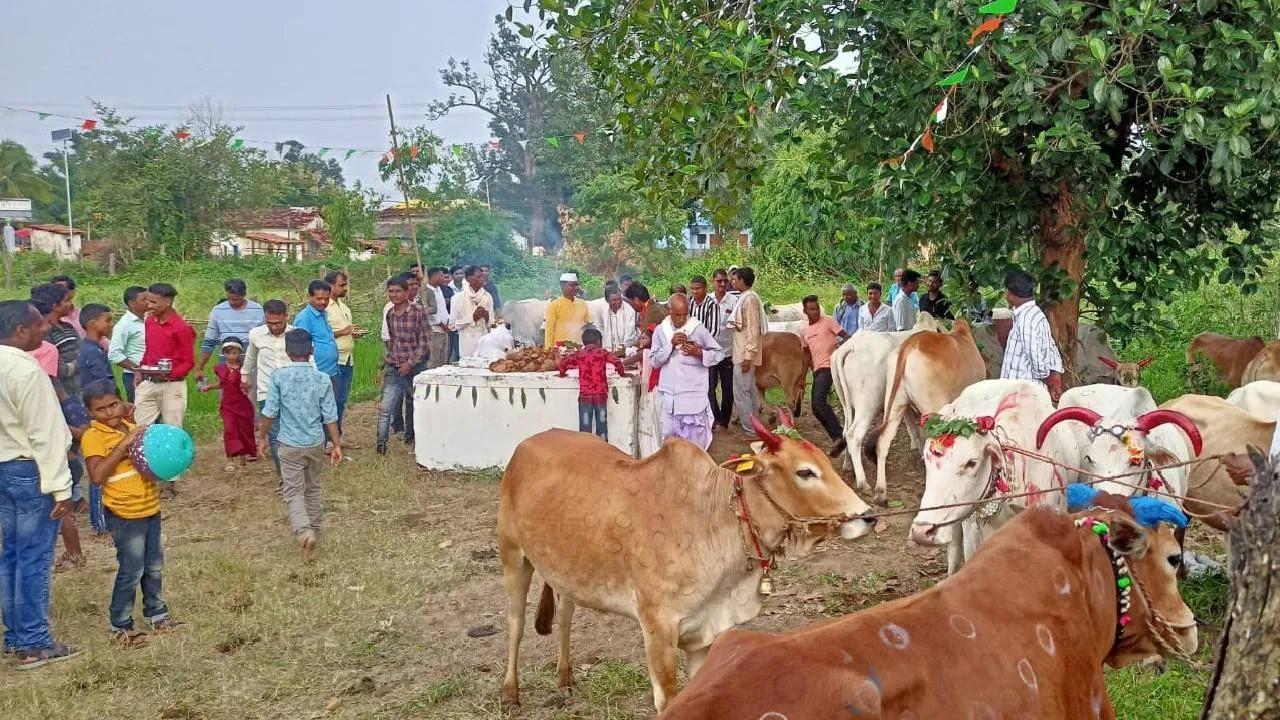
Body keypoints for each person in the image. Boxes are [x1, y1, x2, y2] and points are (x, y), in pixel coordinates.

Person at [0, 299, 78, 669]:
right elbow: (47, 434)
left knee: (11, 554)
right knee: (33, 556)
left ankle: (15, 635)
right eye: (38, 325)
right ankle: (34, 643)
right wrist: (61, 489)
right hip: (29, 471)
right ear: (20, 331)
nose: (46, 329)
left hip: (3, 469)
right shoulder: (26, 371)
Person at [81, 383, 180, 647]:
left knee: (154, 565)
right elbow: (97, 475)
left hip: (150, 507)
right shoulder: (94, 436)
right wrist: (123, 446)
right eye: (99, 409)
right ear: (90, 413)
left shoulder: (132, 428)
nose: (109, 412)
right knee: (131, 569)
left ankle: (156, 613)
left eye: (113, 404)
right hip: (125, 513)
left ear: (122, 402)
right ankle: (121, 624)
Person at [259, 330, 341, 561]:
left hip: (289, 443)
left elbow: (270, 412)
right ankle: (315, 528)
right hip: (315, 442)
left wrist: (262, 436)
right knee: (312, 488)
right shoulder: (322, 378)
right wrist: (336, 444)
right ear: (312, 351)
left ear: (287, 352)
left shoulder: (278, 377)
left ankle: (304, 532)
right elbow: (330, 416)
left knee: (293, 491)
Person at [649, 294, 724, 450]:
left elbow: (719, 353)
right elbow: (654, 361)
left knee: (695, 445)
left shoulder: (697, 329)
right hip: (669, 398)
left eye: (685, 314)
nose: (681, 319)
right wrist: (670, 345)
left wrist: (700, 353)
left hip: (693, 398)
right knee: (669, 443)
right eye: (677, 315)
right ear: (669, 311)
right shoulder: (660, 331)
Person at [242, 300, 295, 477]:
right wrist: (244, 377)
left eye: (278, 323)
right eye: (270, 323)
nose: (274, 327)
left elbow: (308, 359)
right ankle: (283, 477)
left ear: (286, 317)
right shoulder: (256, 335)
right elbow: (250, 358)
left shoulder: (295, 334)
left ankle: (295, 471)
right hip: (267, 392)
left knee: (293, 433)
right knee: (274, 435)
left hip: (292, 392)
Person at [377, 276, 427, 455]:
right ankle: (381, 444)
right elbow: (393, 341)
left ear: (407, 292)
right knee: (385, 406)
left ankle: (413, 438)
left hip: (415, 366)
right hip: (395, 366)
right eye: (391, 291)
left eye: (398, 291)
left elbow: (423, 343)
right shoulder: (390, 314)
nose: (394, 295)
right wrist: (386, 360)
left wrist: (410, 363)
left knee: (416, 404)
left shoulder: (417, 311)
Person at [1000, 270, 1064, 401]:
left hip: (1022, 391)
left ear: (1010, 293)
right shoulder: (1035, 314)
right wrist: (1055, 371)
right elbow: (1051, 345)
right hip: (1023, 390)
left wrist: (1049, 380)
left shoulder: (1026, 319)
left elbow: (1035, 356)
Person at [799, 295, 849, 453]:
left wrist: (841, 353)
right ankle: (838, 437)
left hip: (830, 365)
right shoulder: (805, 330)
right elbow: (806, 355)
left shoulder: (828, 321)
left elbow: (846, 336)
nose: (815, 312)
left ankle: (840, 436)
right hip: (817, 369)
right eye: (811, 309)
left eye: (817, 308)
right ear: (805, 311)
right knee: (815, 407)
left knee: (819, 402)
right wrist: (802, 376)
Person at [557, 327, 627, 440]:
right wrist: (622, 373)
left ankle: (586, 450)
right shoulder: (603, 352)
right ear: (599, 341)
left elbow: (563, 362)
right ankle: (603, 449)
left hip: (585, 395)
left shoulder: (580, 354)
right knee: (602, 426)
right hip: (600, 394)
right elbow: (617, 362)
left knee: (585, 428)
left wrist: (562, 373)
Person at [201, 339, 257, 471]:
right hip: (228, 405)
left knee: (243, 430)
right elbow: (222, 383)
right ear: (224, 354)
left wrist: (246, 386)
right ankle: (230, 459)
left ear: (239, 353)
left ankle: (242, 460)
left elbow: (248, 384)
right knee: (229, 430)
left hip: (242, 405)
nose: (231, 356)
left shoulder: (244, 369)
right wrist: (209, 387)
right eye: (228, 353)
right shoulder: (221, 368)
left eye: (234, 353)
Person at [195, 279, 264, 386]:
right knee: (227, 397)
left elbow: (264, 338)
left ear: (244, 295)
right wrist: (200, 367)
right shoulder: (218, 311)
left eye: (236, 299)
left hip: (251, 363)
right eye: (229, 299)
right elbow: (209, 341)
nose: (232, 302)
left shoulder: (257, 310)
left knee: (250, 400)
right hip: (226, 363)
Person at [727, 267, 765, 436]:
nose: (733, 282)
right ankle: (755, 427)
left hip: (744, 354)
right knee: (748, 390)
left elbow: (752, 329)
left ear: (742, 280)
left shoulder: (749, 300)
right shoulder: (745, 298)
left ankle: (750, 430)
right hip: (742, 352)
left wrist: (748, 356)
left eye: (735, 279)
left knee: (742, 392)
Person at [324, 271, 359, 437]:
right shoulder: (324, 308)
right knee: (332, 400)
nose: (346, 288)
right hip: (334, 360)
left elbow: (344, 331)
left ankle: (336, 435)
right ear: (331, 286)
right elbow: (321, 335)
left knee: (342, 400)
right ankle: (329, 438)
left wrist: (351, 333)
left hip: (347, 359)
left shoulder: (344, 307)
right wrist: (343, 331)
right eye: (342, 285)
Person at [31, 283, 80, 399]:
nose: (71, 304)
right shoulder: (43, 334)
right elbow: (60, 370)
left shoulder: (68, 327)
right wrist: (79, 362)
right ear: (54, 305)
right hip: (61, 395)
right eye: (67, 300)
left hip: (78, 389)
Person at [704, 269, 739, 428]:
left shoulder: (734, 301)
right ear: (713, 282)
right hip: (710, 353)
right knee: (710, 389)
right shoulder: (706, 300)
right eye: (719, 281)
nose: (723, 284)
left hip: (727, 352)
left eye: (725, 281)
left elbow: (738, 323)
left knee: (728, 390)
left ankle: (724, 421)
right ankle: (715, 418)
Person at [292, 280, 339, 390]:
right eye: (319, 298)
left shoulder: (323, 314)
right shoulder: (304, 318)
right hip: (315, 375)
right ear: (309, 296)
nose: (323, 302)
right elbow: (300, 349)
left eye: (326, 299)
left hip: (330, 371)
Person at [108, 287, 149, 403]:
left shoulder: (149, 320)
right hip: (134, 377)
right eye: (143, 299)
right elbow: (114, 354)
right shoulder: (124, 325)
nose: (148, 302)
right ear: (131, 303)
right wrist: (137, 369)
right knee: (141, 416)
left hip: (153, 376)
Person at [449, 266, 494, 358]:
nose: (482, 279)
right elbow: (452, 326)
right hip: (467, 342)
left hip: (484, 340)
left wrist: (486, 316)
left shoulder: (487, 297)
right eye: (478, 277)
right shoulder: (458, 298)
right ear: (468, 278)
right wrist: (472, 318)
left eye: (482, 276)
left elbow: (491, 323)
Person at [545, 272, 592, 348]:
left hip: (580, 348)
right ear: (562, 287)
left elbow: (588, 327)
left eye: (577, 285)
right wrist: (548, 351)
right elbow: (549, 331)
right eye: (572, 285)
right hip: (561, 349)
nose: (576, 288)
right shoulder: (553, 305)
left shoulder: (583, 304)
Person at [77, 304, 116, 393]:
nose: (111, 324)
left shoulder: (94, 348)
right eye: (108, 321)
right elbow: (103, 382)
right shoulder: (92, 351)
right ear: (92, 324)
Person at [425, 267, 452, 369]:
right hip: (435, 330)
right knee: (434, 360)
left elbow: (443, 309)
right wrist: (441, 324)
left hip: (444, 329)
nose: (443, 278)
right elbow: (430, 313)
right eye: (441, 276)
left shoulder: (439, 289)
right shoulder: (427, 291)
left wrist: (448, 321)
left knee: (443, 360)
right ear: (434, 276)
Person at [595, 286, 637, 352]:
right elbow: (599, 327)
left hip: (625, 350)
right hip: (606, 350)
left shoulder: (629, 310)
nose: (617, 302)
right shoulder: (601, 309)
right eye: (614, 300)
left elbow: (630, 332)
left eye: (619, 299)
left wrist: (623, 348)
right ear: (607, 300)